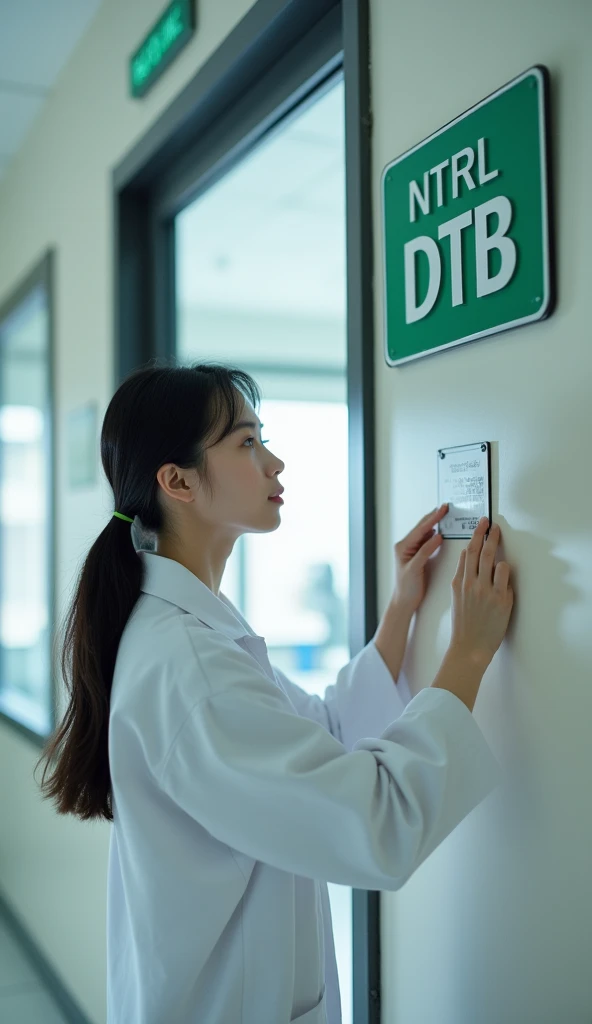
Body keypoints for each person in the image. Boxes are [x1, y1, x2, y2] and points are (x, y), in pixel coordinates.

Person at [33, 360, 514, 1024]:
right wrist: (467, 653)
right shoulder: (188, 664)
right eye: (247, 442)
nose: (275, 463)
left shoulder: (198, 628)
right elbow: (373, 823)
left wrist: (403, 612)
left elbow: (321, 734)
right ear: (177, 482)